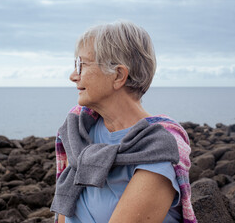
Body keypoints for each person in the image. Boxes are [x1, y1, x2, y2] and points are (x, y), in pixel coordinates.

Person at [50, 21, 196, 223]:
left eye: (82, 65)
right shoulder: (79, 130)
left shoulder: (158, 147)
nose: (73, 76)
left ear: (118, 75)